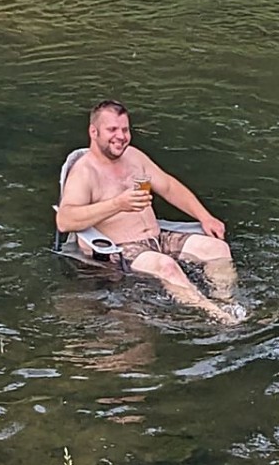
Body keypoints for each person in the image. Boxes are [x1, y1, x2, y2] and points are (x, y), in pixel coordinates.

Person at [57, 100, 242, 323]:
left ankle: (228, 302)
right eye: (112, 129)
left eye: (125, 129)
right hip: (120, 250)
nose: (121, 136)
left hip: (157, 237)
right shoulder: (84, 172)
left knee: (217, 248)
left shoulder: (134, 156)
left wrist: (205, 217)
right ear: (93, 132)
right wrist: (117, 204)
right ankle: (216, 315)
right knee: (167, 266)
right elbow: (64, 220)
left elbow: (169, 187)